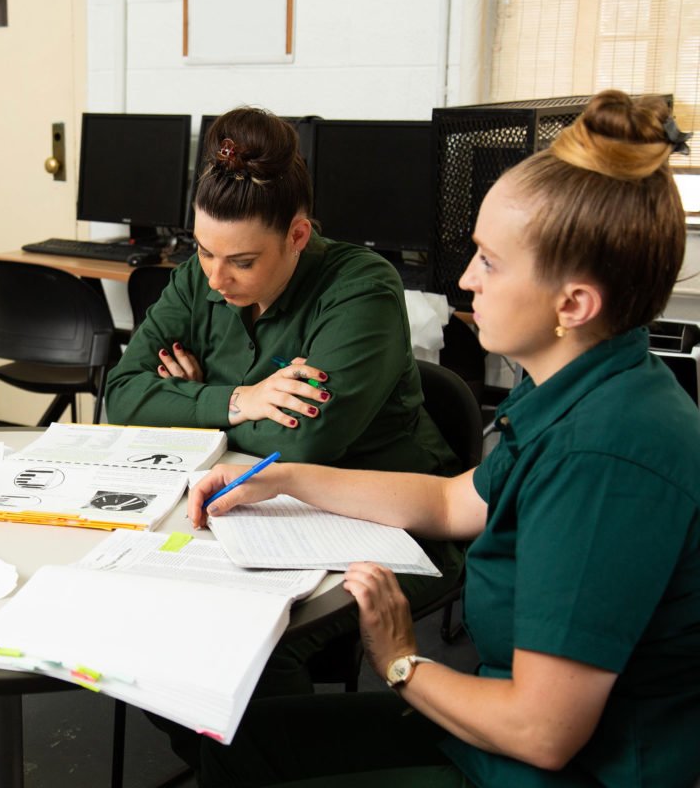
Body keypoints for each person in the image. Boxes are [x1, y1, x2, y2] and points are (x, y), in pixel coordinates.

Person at [188, 90, 699, 787]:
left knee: (262, 757)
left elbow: (541, 731)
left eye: (489, 260)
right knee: (237, 740)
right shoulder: (581, 382)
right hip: (498, 743)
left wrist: (401, 659)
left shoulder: (605, 456)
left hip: (546, 772)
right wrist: (283, 478)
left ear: (572, 304)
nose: (466, 279)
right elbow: (457, 503)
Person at [105, 107, 462, 695]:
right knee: (150, 610)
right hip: (256, 507)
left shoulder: (360, 288)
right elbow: (120, 396)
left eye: (242, 262)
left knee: (255, 649)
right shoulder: (202, 277)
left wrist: (185, 400)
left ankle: (268, 765)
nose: (217, 279)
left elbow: (307, 441)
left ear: (298, 234)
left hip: (388, 520)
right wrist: (237, 401)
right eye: (203, 251)